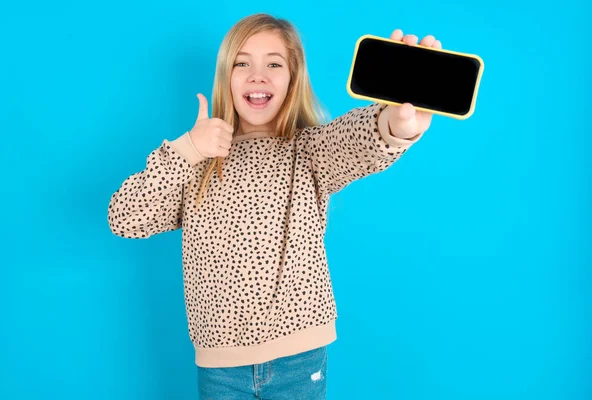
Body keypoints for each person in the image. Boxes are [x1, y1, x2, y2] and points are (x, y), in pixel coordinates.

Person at [107, 12, 441, 400]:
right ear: (226, 78)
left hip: (299, 357)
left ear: (292, 79)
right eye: (242, 63)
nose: (257, 75)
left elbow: (358, 140)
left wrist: (397, 125)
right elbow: (124, 217)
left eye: (274, 64)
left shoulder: (310, 150)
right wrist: (187, 149)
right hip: (220, 365)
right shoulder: (194, 164)